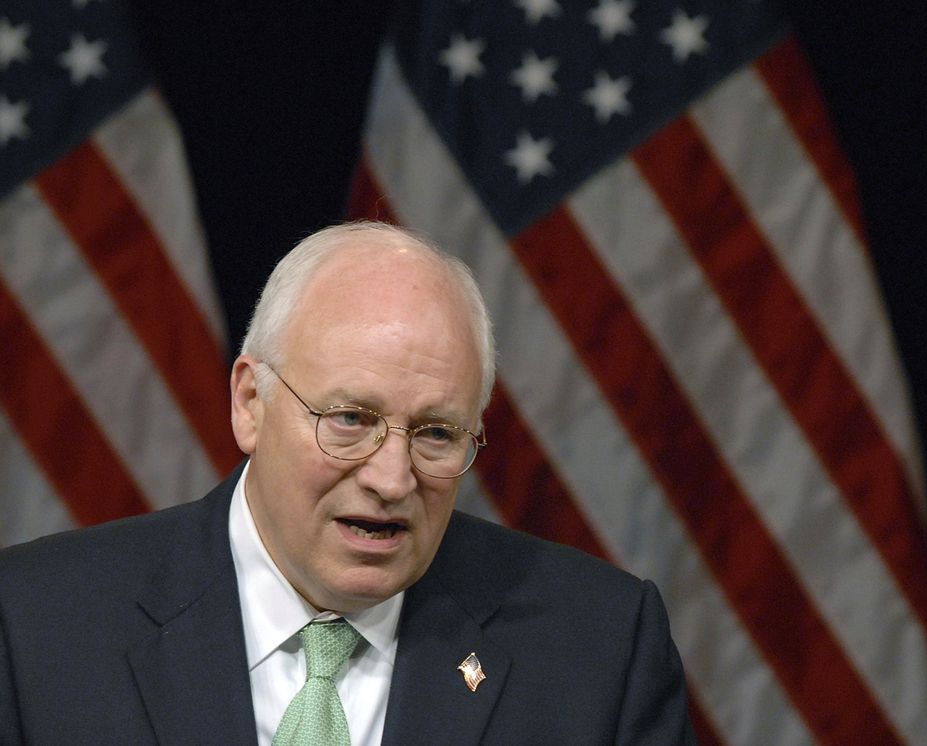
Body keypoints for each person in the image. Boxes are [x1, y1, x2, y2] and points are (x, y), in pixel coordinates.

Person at [0, 222, 696, 744]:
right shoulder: (36, 629)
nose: (392, 479)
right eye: (350, 420)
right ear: (250, 403)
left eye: (435, 433)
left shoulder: (599, 651)